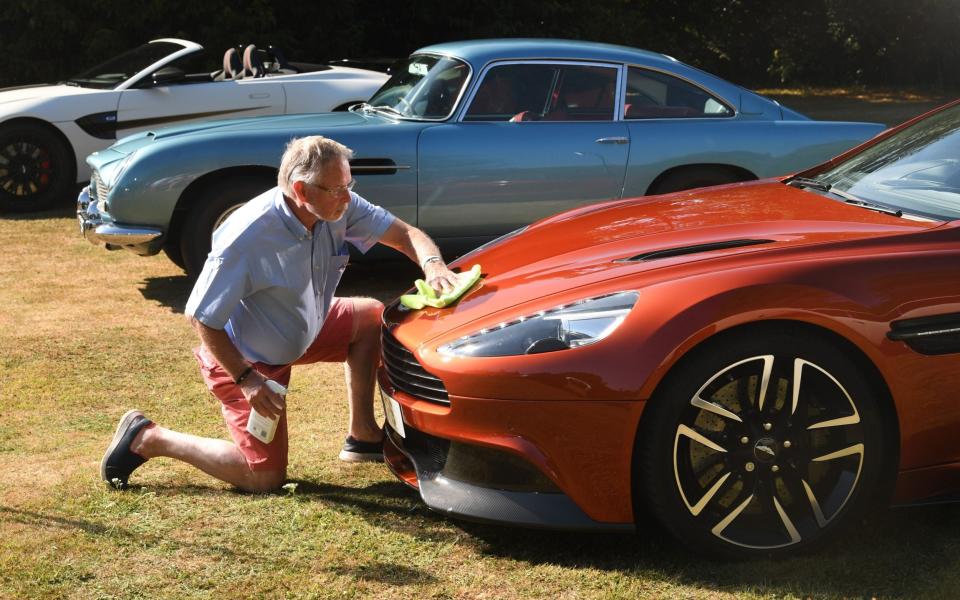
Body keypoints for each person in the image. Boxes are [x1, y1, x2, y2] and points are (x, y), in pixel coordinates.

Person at [100, 135, 463, 493]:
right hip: (247, 360)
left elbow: (405, 234)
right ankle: (149, 437)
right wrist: (247, 379)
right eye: (336, 189)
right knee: (263, 477)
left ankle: (363, 434)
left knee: (369, 317)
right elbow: (201, 316)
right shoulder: (247, 236)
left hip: (302, 326)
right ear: (301, 191)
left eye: (349, 184)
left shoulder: (338, 206)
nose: (347, 197)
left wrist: (433, 266)